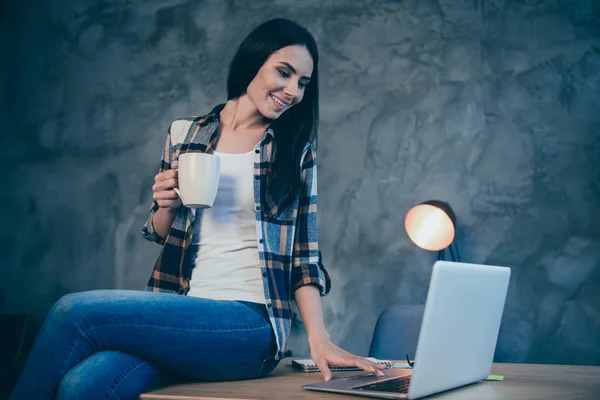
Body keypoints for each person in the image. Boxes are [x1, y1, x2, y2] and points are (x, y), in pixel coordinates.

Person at [9, 18, 385, 400]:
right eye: (284, 73)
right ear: (253, 62)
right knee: (83, 384)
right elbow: (160, 230)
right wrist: (165, 204)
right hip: (184, 309)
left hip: (249, 325)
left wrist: (319, 340)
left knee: (74, 311)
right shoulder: (184, 133)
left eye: (303, 82)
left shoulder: (293, 151)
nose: (292, 91)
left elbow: (304, 255)